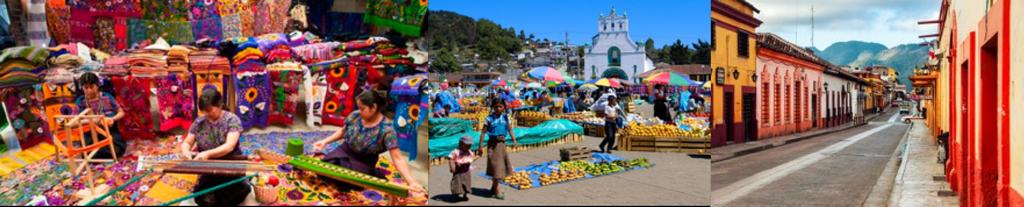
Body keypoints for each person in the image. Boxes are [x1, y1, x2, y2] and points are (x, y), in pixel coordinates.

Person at [311, 90, 426, 195]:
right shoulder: (356, 115)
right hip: (345, 150)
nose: (359, 111)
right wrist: (324, 141)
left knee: (347, 181)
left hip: (363, 161)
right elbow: (343, 131)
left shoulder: (387, 130)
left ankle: (371, 174)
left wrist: (411, 182)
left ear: (373, 107)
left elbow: (397, 158)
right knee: (325, 169)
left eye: (362, 108)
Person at [179, 89, 249, 206]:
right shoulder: (199, 122)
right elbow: (187, 142)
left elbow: (229, 147)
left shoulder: (231, 120)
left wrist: (207, 154)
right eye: (203, 111)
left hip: (230, 164)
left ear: (220, 105)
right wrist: (186, 150)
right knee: (201, 197)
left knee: (228, 197)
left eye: (209, 110)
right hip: (209, 166)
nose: (206, 114)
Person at [73, 72, 126, 159]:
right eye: (86, 88)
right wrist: (90, 120)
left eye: (91, 87)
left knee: (116, 149)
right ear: (82, 88)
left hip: (108, 129)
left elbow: (121, 112)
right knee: (91, 153)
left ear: (97, 85)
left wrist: (112, 119)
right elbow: (73, 123)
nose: (89, 90)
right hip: (90, 132)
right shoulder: (80, 102)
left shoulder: (107, 97)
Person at [478, 100, 517, 200]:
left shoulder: (505, 117)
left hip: (502, 145)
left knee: (499, 167)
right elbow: (483, 133)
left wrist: (514, 140)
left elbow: (510, 129)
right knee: (496, 168)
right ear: (493, 108)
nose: (498, 109)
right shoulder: (489, 119)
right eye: (496, 107)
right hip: (493, 145)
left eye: (500, 106)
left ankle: (493, 188)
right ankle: (496, 191)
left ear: (504, 107)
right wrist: (480, 146)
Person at [449, 135, 477, 201]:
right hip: (458, 171)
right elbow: (451, 159)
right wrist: (452, 167)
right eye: (467, 145)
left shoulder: (469, 152)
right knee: (457, 183)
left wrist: (478, 155)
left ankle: (465, 195)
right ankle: (456, 195)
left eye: (469, 146)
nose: (468, 147)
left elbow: (472, 159)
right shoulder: (456, 152)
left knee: (466, 184)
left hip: (466, 171)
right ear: (461, 144)